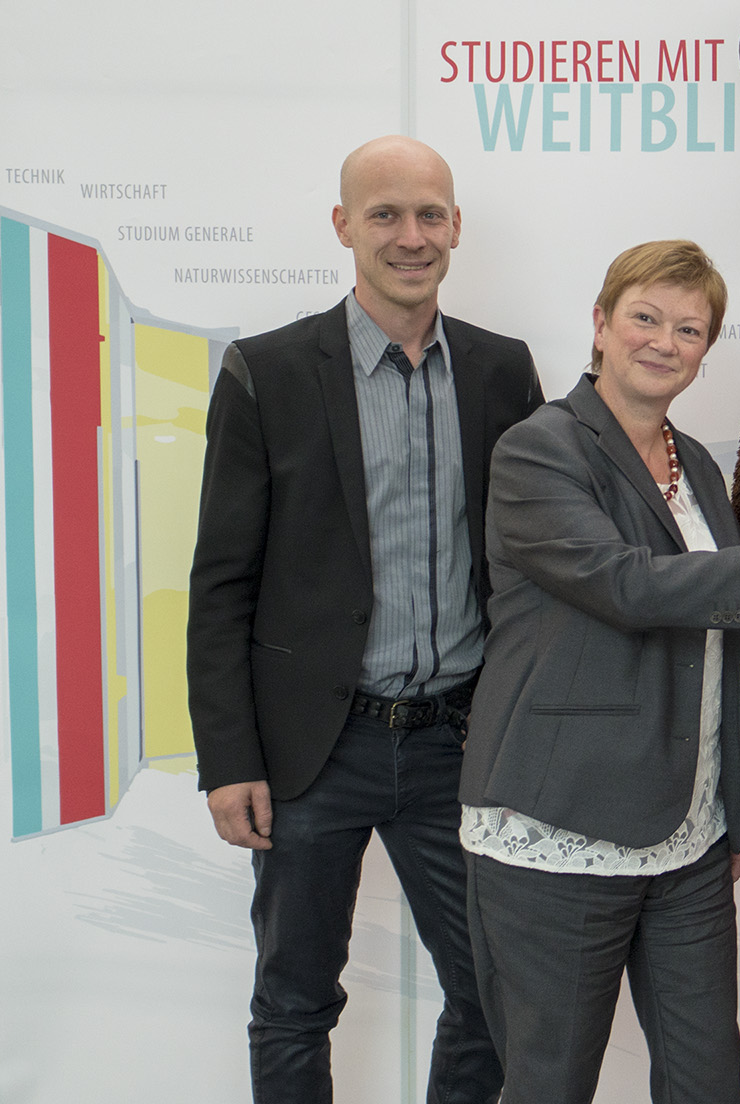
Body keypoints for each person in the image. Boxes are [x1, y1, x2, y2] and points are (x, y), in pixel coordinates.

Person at [456, 239, 740, 1104]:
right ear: (600, 323)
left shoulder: (694, 463)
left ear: (705, 349)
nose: (663, 342)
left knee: (708, 1083)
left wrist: (725, 805)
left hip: (688, 836)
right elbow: (627, 585)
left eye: (689, 329)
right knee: (551, 1084)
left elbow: (717, 642)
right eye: (645, 318)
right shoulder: (538, 450)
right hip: (562, 825)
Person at [188, 136, 542, 1102]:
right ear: (343, 227)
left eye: (430, 214)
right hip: (313, 749)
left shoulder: (503, 373)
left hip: (458, 747)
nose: (410, 235)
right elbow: (221, 583)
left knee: (491, 993)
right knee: (295, 1001)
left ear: (457, 227)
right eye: (385, 214)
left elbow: (533, 564)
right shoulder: (267, 373)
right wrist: (229, 761)